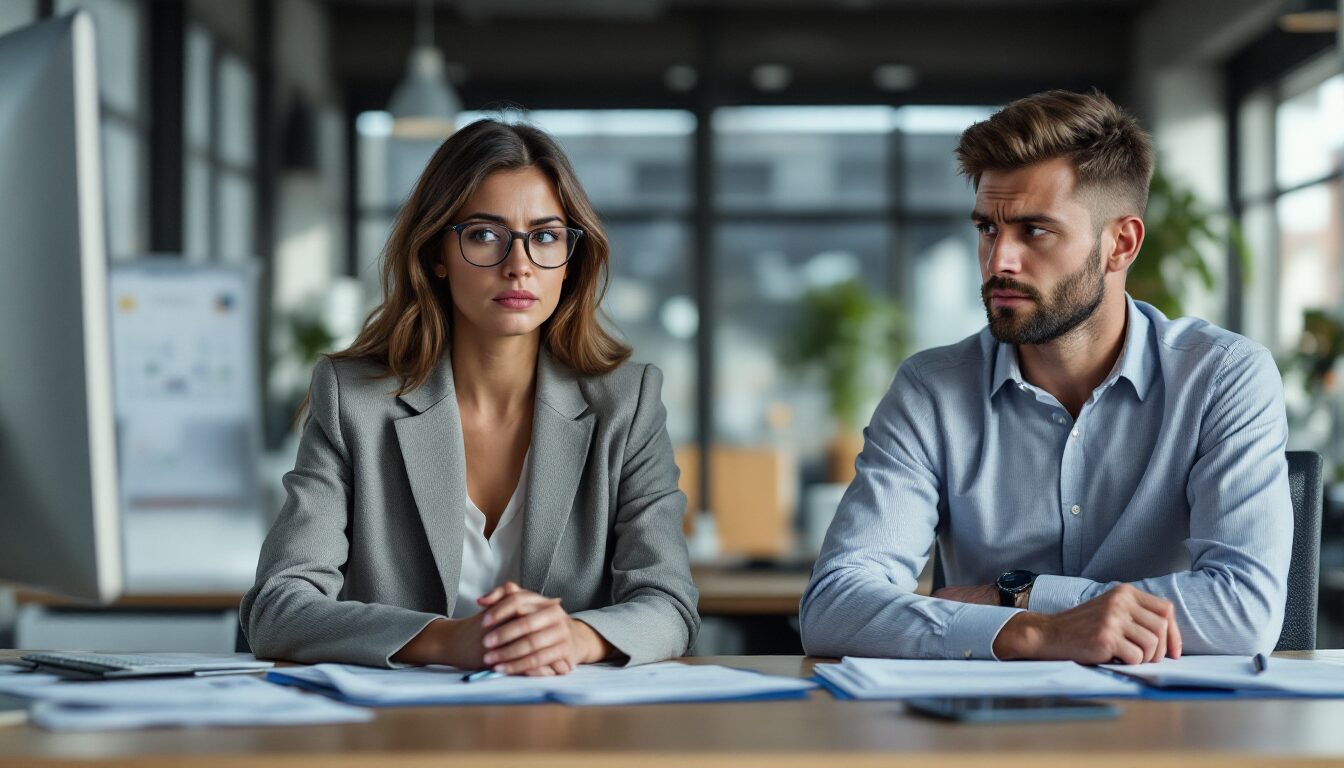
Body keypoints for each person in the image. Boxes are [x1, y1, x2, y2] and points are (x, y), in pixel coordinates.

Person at [800, 89, 1291, 664]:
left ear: (1121, 243)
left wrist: (1015, 595)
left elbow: (1244, 611)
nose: (998, 260)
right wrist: (1033, 631)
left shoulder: (1221, 377)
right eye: (987, 228)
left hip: (1170, 734)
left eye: (1035, 230)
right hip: (982, 738)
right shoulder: (932, 390)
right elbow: (834, 606)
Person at [241, 119, 699, 674]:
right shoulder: (355, 402)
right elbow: (277, 608)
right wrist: (447, 641)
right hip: (396, 739)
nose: (519, 264)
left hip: (570, 732)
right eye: (485, 234)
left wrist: (575, 638)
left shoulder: (626, 403)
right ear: (438, 253)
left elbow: (671, 603)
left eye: (546, 236)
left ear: (571, 259)